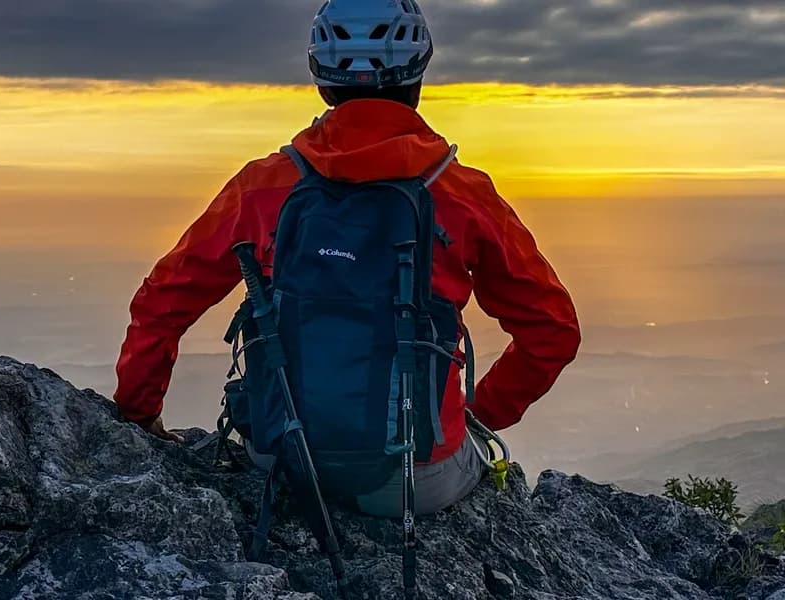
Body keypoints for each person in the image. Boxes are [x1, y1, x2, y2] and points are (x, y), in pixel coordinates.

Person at [114, 0, 580, 516]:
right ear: (419, 73)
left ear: (323, 80)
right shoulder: (461, 193)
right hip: (414, 478)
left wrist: (139, 415)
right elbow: (552, 330)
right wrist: (473, 414)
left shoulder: (265, 185)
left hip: (282, 458)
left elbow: (163, 301)